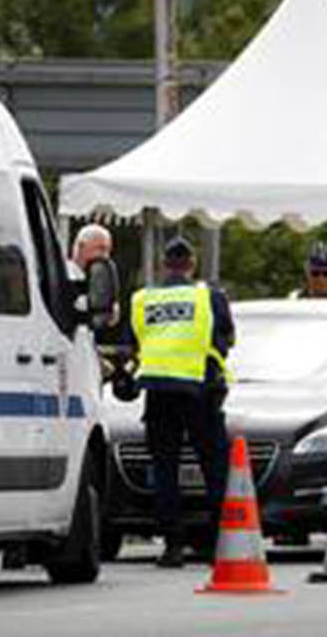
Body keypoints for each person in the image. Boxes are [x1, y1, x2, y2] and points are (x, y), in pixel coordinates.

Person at [126, 236, 234, 569]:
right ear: (191, 265)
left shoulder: (142, 299)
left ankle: (173, 545)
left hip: (158, 392)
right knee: (215, 467)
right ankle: (220, 542)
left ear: (163, 264)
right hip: (199, 390)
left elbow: (134, 345)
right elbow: (227, 337)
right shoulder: (209, 297)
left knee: (164, 470)